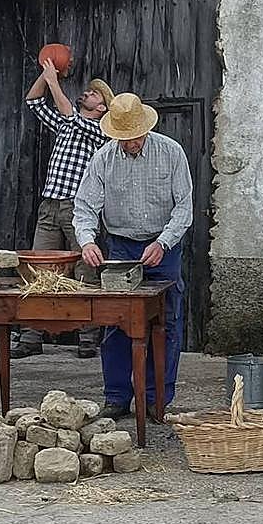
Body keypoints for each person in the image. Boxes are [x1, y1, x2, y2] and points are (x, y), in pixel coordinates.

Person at [73, 92, 192, 419]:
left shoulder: (171, 153)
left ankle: (157, 400)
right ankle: (117, 396)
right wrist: (87, 241)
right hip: (121, 247)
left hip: (163, 248)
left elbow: (184, 208)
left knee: (165, 323)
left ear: (145, 128)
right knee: (116, 324)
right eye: (124, 139)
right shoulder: (102, 159)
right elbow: (84, 206)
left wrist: (164, 242)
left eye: (135, 137)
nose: (131, 143)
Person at [10, 58, 111, 359]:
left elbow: (68, 113)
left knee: (84, 272)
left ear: (102, 108)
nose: (88, 94)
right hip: (50, 206)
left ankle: (88, 338)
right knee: (38, 271)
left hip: (78, 209)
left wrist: (54, 79)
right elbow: (33, 101)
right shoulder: (68, 125)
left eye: (95, 94)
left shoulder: (100, 132)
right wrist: (45, 75)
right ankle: (31, 336)